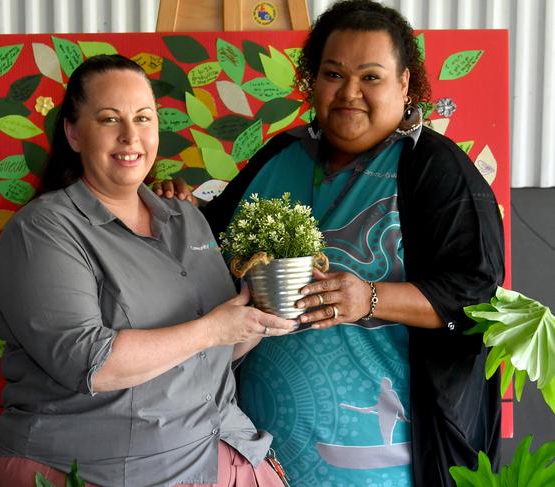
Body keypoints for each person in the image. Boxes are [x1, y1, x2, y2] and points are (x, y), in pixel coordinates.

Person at [155, 1, 506, 485]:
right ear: (312, 81)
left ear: (405, 84)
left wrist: (371, 297)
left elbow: (477, 295)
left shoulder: (434, 170)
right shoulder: (282, 154)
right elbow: (214, 248)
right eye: (334, 74)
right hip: (255, 453)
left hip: (387, 461)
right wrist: (184, 208)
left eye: (371, 77)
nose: (350, 93)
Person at [0, 54, 296, 487]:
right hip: (104, 469)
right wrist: (212, 330)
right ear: (74, 133)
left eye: (143, 118)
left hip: (223, 447)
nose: (131, 136)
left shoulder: (186, 218)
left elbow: (214, 349)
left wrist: (262, 317)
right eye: (110, 119)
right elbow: (91, 363)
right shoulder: (42, 230)